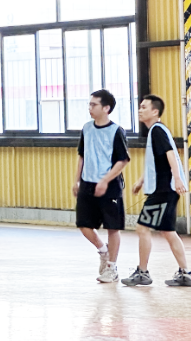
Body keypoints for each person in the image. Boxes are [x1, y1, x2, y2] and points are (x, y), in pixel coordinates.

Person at [122, 95, 191, 288]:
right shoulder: (157, 131)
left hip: (162, 190)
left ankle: (142, 272)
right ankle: (185, 273)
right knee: (168, 231)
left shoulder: (156, 131)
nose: (140, 110)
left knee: (142, 228)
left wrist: (177, 178)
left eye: (144, 107)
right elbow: (157, 162)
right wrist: (141, 181)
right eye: (139, 107)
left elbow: (170, 154)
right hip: (165, 189)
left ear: (155, 111)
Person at [73, 89, 130, 283]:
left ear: (106, 108)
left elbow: (122, 160)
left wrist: (105, 180)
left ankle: (111, 268)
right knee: (83, 224)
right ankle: (103, 250)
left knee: (113, 227)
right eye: (89, 104)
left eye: (94, 104)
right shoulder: (86, 128)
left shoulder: (116, 131)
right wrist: (77, 180)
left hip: (110, 186)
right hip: (87, 183)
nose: (90, 108)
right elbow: (82, 156)